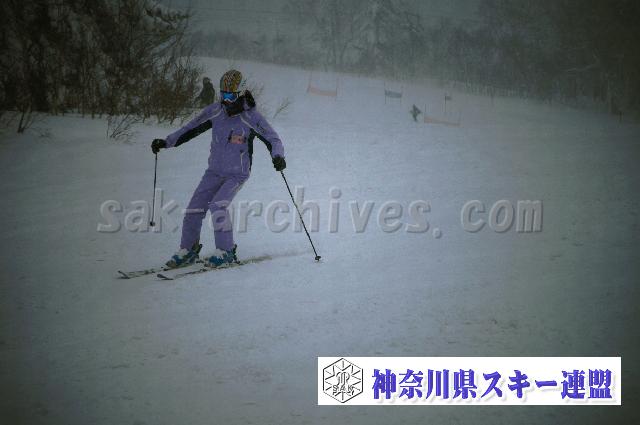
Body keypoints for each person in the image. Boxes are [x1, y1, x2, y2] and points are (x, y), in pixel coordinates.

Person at [151, 69, 286, 268]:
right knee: (194, 208)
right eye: (223, 94)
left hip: (237, 174)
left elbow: (272, 138)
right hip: (214, 171)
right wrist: (166, 142)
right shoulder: (215, 111)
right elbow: (190, 128)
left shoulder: (251, 117)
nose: (226, 100)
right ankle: (188, 250)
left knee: (218, 205)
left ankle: (226, 251)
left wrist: (278, 156)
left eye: (230, 96)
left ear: (240, 93)